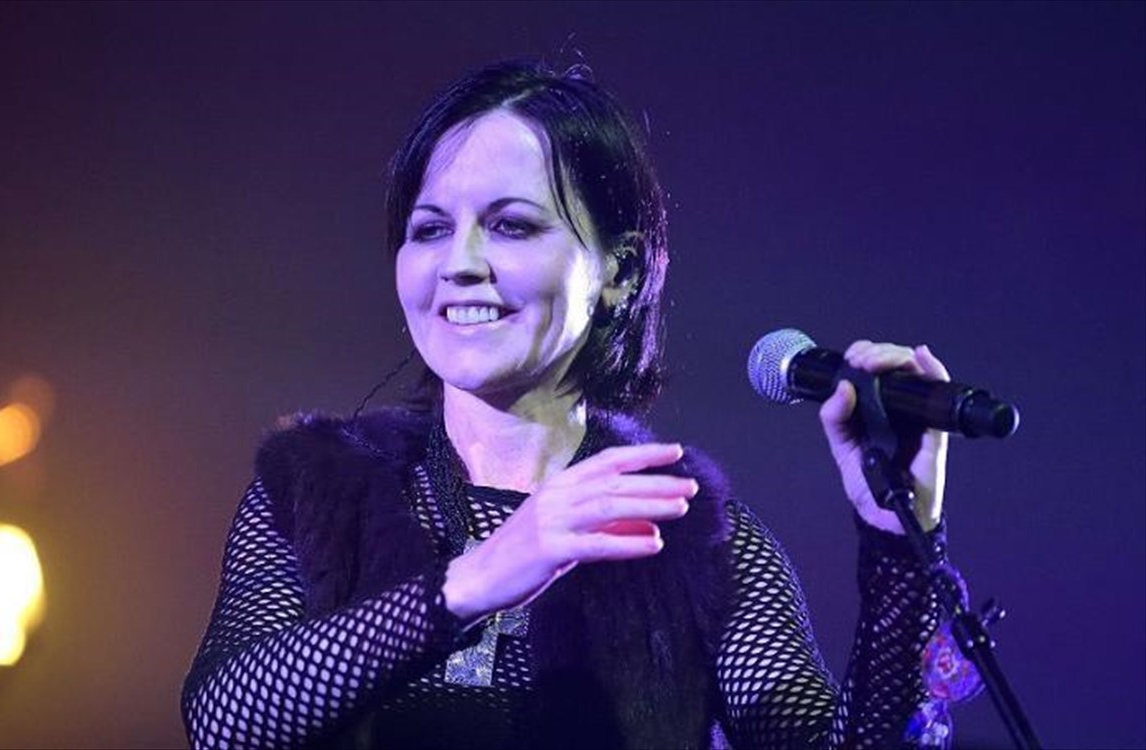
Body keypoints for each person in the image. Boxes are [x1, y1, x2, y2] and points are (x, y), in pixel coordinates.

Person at [181, 59, 951, 750]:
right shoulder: (321, 487)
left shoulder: (686, 534)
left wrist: (898, 538)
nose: (460, 264)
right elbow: (224, 720)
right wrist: (475, 580)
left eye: (511, 225)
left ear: (621, 273)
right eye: (431, 229)